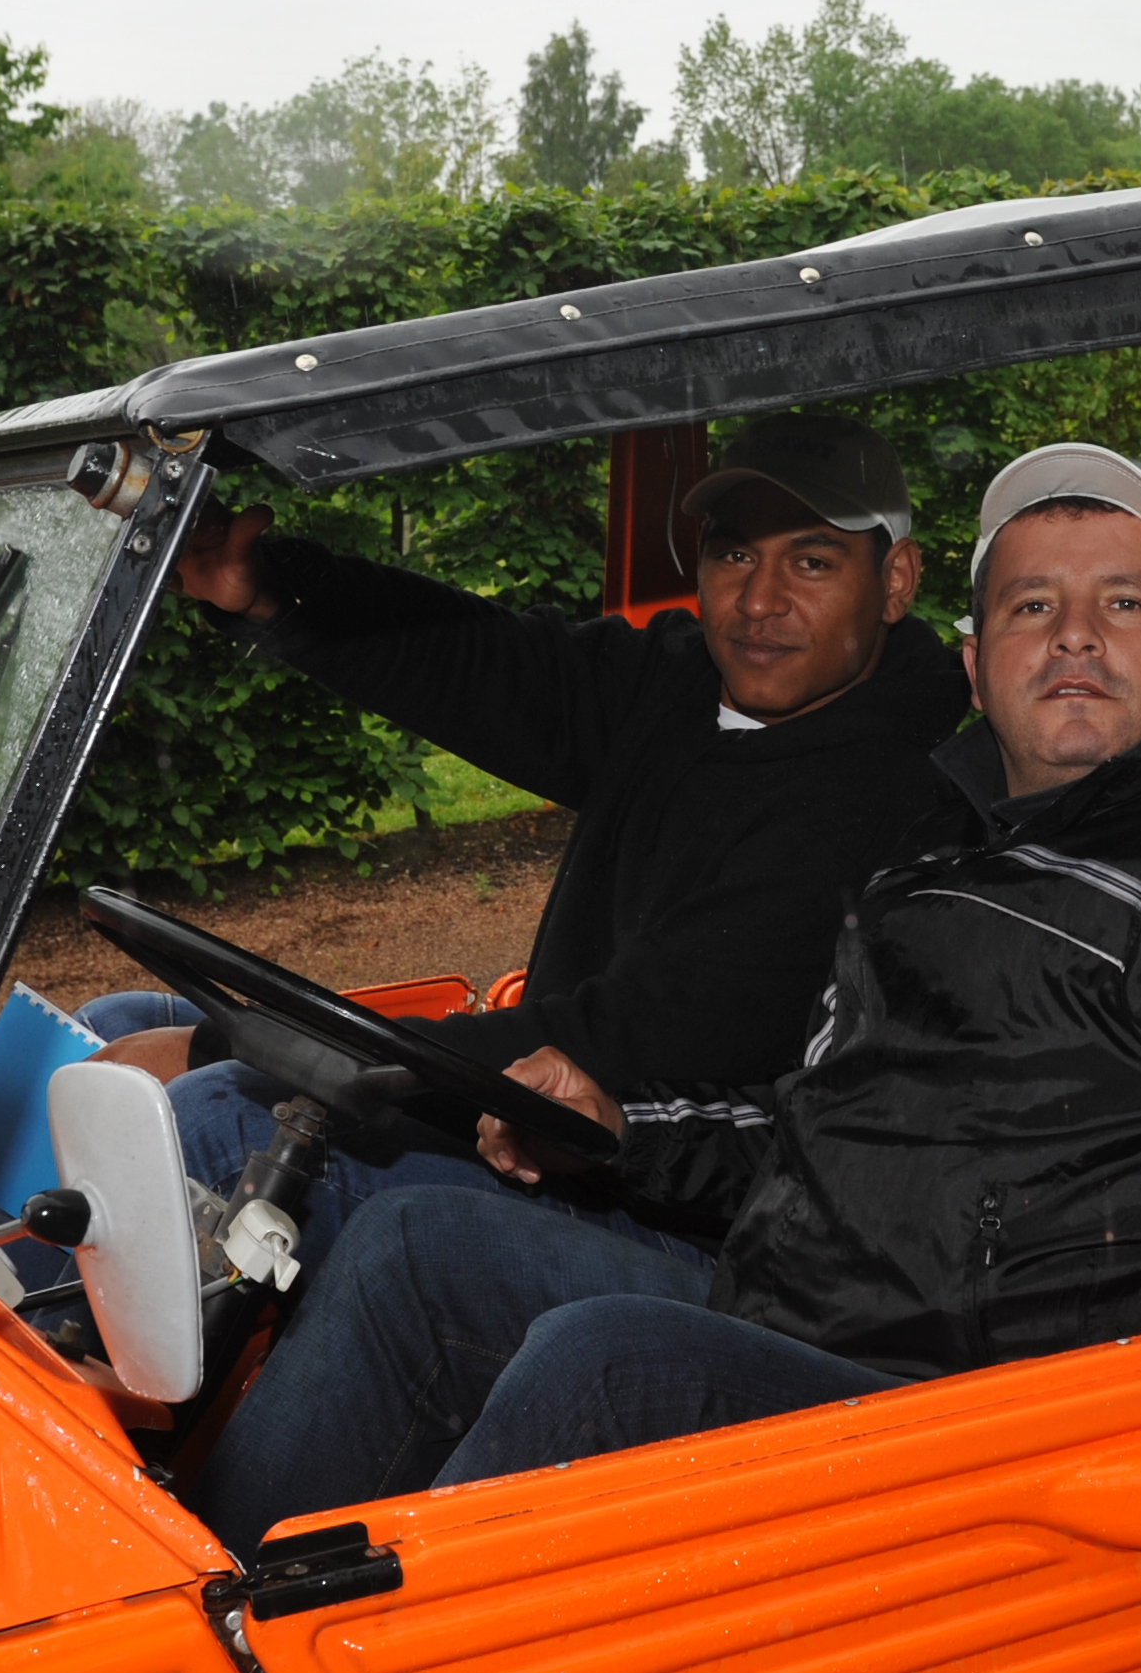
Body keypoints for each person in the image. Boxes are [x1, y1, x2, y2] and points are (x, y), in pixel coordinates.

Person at [188, 439, 1141, 1558]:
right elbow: (809, 1133)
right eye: (1033, 606)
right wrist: (630, 1133)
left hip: (1002, 1423)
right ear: (975, 664)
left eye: (1122, 604)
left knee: (607, 1364)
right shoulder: (931, 864)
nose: (1072, 636)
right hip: (803, 1322)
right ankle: (211, 1620)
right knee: (419, 1244)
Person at [82, 410, 969, 1272]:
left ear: (896, 580)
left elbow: (623, 1039)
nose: (760, 600)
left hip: (669, 1211)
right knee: (122, 1022)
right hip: (527, 1120)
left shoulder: (880, 803)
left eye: (811, 562)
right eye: (734, 553)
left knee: (212, 1112)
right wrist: (270, 588)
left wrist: (239, 1051)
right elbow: (481, 663)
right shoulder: (685, 683)